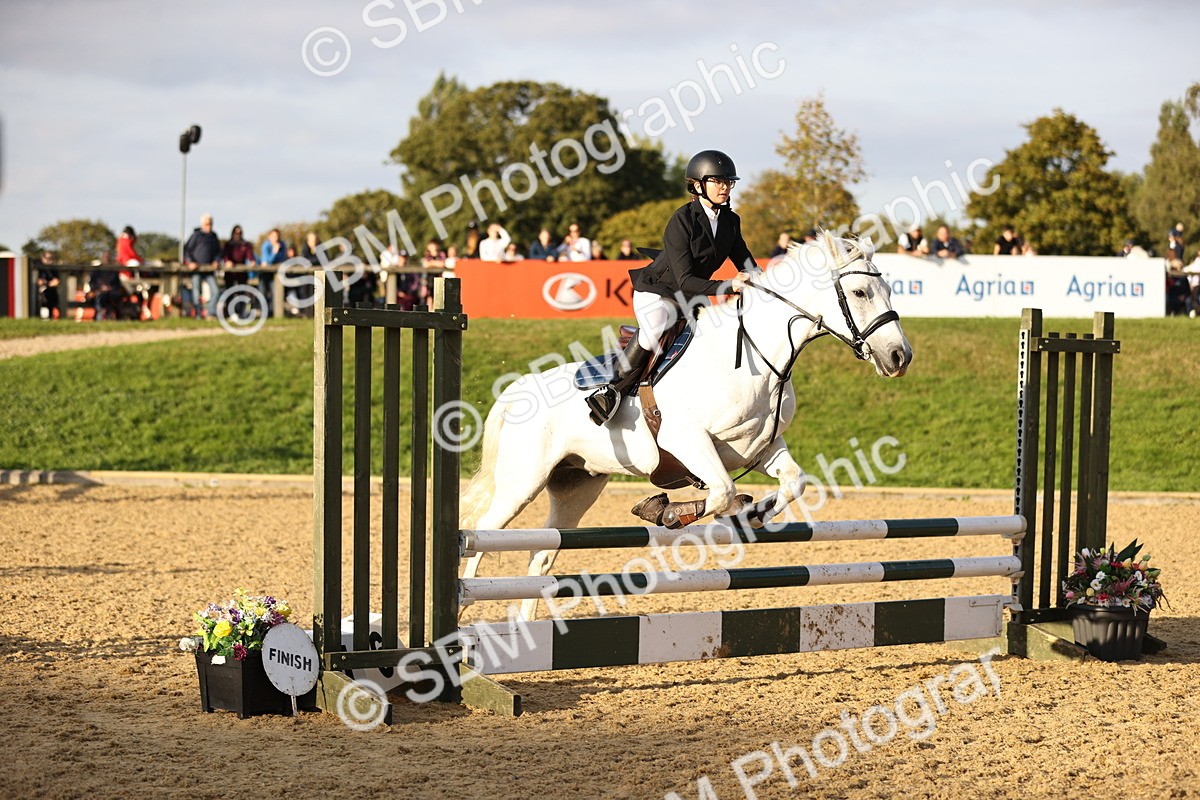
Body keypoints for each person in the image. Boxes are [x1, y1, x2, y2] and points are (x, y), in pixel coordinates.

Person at [585, 149, 757, 425]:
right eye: (717, 181)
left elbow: (747, 263)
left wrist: (764, 283)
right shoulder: (682, 220)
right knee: (654, 331)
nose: (725, 187)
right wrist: (729, 285)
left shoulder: (730, 221)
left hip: (692, 296)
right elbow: (684, 280)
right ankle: (612, 391)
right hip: (659, 292)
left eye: (728, 182)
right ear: (697, 185)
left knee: (714, 335)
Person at [183, 213, 221, 318]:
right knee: (196, 293)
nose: (209, 226)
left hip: (209, 270)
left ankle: (211, 312)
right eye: (207, 224)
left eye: (210, 224)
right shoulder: (196, 235)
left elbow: (218, 252)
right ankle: (198, 314)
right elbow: (187, 250)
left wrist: (216, 260)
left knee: (216, 291)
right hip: (197, 270)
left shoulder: (213, 236)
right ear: (202, 224)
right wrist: (190, 261)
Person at [260, 228, 288, 316]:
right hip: (265, 273)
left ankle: (273, 313)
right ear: (269, 236)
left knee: (275, 293)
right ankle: (264, 312)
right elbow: (269, 260)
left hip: (277, 273)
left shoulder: (282, 245)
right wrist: (275, 252)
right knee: (263, 292)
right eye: (273, 236)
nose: (276, 238)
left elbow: (282, 259)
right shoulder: (266, 246)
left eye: (277, 236)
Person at [37, 250, 61, 319]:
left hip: (52, 292)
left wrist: (46, 283)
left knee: (53, 299)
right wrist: (49, 283)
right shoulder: (38, 268)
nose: (49, 260)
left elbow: (56, 282)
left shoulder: (55, 270)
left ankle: (51, 317)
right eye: (47, 258)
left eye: (51, 258)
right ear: (42, 258)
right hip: (40, 293)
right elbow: (39, 282)